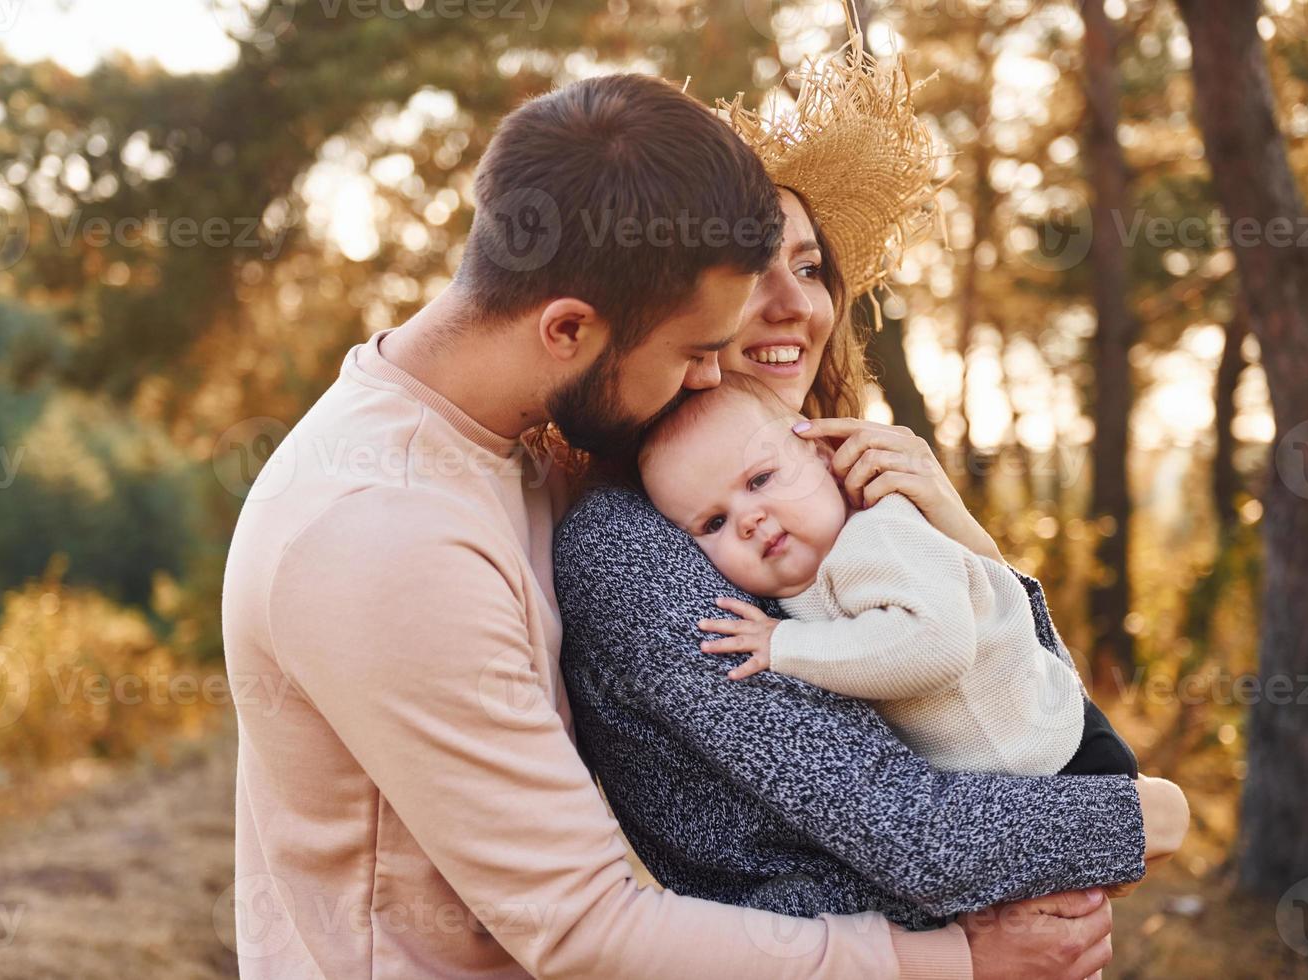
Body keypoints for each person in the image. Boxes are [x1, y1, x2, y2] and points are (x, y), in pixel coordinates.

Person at [223, 68, 1107, 979]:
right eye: (693, 351)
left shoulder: (507, 450)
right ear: (567, 329)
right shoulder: (387, 532)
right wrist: (955, 962)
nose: (708, 380)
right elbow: (582, 929)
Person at [552, 41, 1187, 978]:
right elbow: (910, 830)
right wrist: (1147, 813)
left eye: (810, 269)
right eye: (749, 272)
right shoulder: (631, 544)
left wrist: (960, 532)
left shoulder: (836, 485)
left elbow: (1024, 706)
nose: (791, 306)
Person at [637, 371, 1140, 780]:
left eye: (760, 479)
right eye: (714, 522)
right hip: (1007, 777)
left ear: (824, 456)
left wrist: (785, 645)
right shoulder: (800, 585)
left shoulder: (881, 533)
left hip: (1062, 758)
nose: (748, 519)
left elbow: (935, 647)